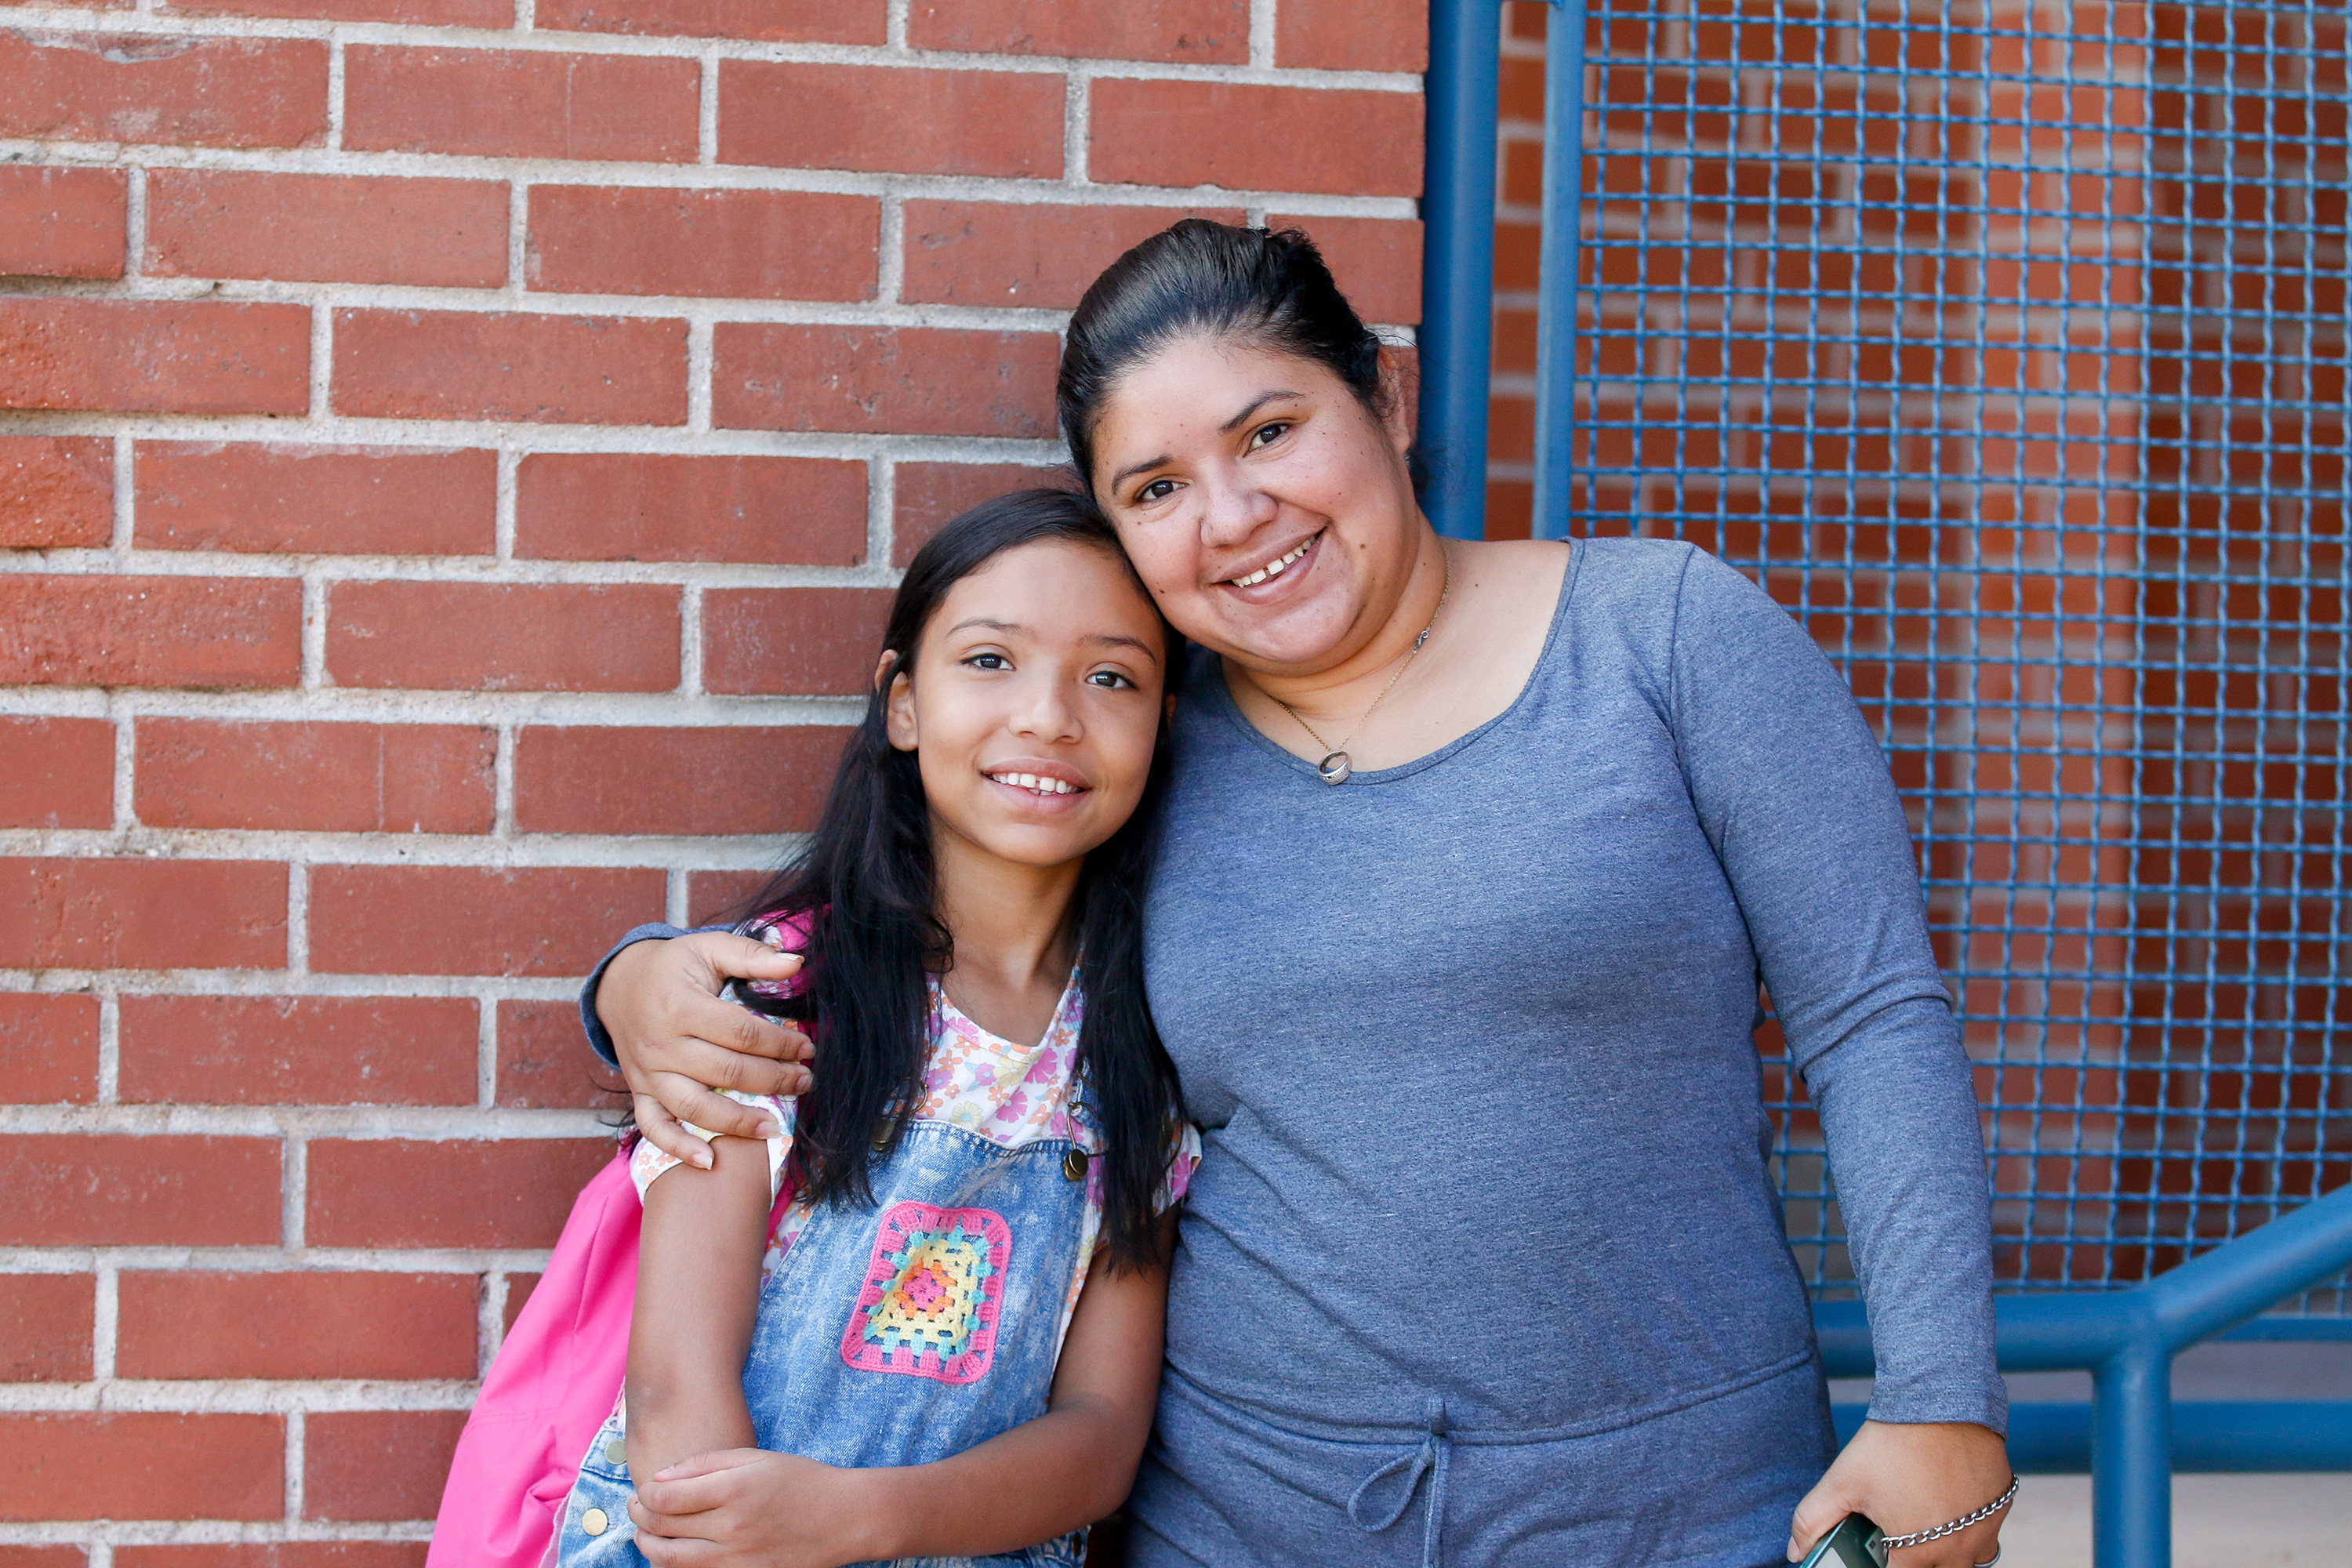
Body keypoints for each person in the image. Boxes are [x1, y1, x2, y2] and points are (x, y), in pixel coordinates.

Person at [583, 222, 2013, 1568]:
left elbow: (1875, 1014)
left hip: (1671, 1501)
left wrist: (1942, 1399)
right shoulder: (1136, 738)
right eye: (1155, 489)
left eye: (1270, 432)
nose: (1233, 515)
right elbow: (943, 923)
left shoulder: (1663, 637)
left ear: (1382, 397)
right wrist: (636, 986)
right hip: (1245, 1514)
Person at [504, 490, 1199, 1568]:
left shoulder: (1140, 1060)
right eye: (989, 661)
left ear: (1162, 725)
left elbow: (1101, 1437)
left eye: (1112, 677)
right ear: (904, 703)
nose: (1051, 717)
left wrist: (863, 1522)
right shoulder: (783, 1000)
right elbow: (676, 1383)